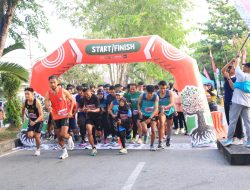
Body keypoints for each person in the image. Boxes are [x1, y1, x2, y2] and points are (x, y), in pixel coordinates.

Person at [45, 75, 75, 159]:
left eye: (54, 82)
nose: (53, 84)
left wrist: (70, 111)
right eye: (51, 83)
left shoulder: (63, 91)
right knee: (58, 136)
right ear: (49, 83)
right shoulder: (48, 93)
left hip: (64, 115)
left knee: (63, 134)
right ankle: (64, 151)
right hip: (55, 116)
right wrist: (48, 107)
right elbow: (46, 104)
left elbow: (73, 100)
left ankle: (69, 137)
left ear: (57, 82)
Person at [224, 57, 250, 147]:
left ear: (248, 68)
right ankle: (249, 141)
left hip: (237, 102)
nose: (244, 67)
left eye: (245, 66)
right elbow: (233, 87)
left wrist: (237, 58)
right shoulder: (246, 77)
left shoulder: (242, 75)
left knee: (232, 121)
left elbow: (237, 66)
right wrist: (228, 78)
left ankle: (229, 139)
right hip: (247, 102)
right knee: (248, 122)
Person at [221, 58, 244, 144]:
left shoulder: (238, 78)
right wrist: (230, 61)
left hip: (235, 101)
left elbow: (233, 87)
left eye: (231, 68)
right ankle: (233, 136)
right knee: (229, 119)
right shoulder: (226, 77)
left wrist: (237, 61)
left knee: (237, 119)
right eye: (229, 68)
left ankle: (240, 137)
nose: (229, 69)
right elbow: (223, 70)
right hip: (227, 101)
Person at [21, 87, 44, 156]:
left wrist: (35, 121)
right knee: (30, 135)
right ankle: (38, 137)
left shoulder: (37, 102)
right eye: (25, 94)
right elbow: (22, 110)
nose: (26, 95)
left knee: (36, 136)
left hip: (39, 120)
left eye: (28, 94)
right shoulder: (25, 102)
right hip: (31, 121)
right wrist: (22, 118)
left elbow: (42, 115)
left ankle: (38, 149)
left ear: (32, 94)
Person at [138, 85, 159, 150]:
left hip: (152, 114)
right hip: (143, 114)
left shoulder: (156, 97)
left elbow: (156, 108)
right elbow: (139, 104)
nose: (150, 95)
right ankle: (145, 135)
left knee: (153, 130)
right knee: (144, 129)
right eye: (148, 93)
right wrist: (139, 111)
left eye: (151, 93)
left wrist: (150, 117)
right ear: (146, 91)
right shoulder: (142, 95)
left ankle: (152, 145)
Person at [83, 88, 101, 156]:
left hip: (97, 116)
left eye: (87, 94)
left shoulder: (95, 98)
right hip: (89, 117)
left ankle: (98, 137)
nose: (86, 96)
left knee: (98, 132)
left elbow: (98, 109)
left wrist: (90, 110)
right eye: (85, 95)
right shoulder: (84, 98)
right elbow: (82, 107)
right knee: (89, 131)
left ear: (91, 92)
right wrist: (84, 109)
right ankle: (93, 147)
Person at [157, 81, 175, 148]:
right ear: (159, 87)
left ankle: (168, 139)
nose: (163, 90)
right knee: (161, 124)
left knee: (169, 126)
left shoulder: (170, 93)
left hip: (169, 110)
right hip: (162, 111)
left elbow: (172, 103)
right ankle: (160, 141)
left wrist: (166, 107)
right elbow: (156, 104)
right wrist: (160, 108)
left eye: (164, 88)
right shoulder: (157, 94)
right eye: (161, 88)